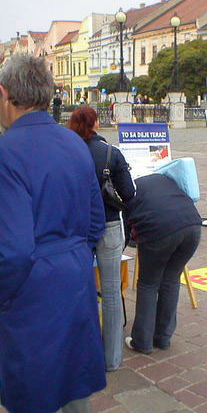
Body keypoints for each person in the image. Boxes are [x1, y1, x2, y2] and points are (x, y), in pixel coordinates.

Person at [0, 54, 106, 413]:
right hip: (75, 277)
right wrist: (73, 257)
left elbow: (13, 250)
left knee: (38, 399)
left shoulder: (5, 151)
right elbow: (95, 221)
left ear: (5, 94)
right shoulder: (74, 143)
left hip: (32, 286)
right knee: (74, 389)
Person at [68, 106, 134, 372]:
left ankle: (82, 353)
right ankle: (112, 358)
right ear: (95, 123)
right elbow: (129, 192)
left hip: (77, 229)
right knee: (111, 292)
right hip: (109, 225)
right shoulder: (110, 153)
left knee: (80, 291)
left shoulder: (67, 153)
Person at [124, 173, 201, 354]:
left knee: (148, 284)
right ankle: (163, 337)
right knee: (171, 279)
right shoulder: (162, 177)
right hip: (193, 226)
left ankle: (142, 341)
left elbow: (125, 232)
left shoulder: (127, 190)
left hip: (159, 230)